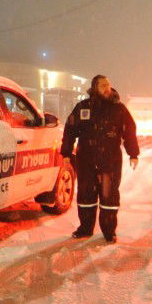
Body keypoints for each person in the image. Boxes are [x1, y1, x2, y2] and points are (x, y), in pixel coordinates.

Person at [61, 74, 140, 243]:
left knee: (109, 198)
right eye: (103, 85)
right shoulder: (83, 107)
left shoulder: (119, 109)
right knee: (86, 197)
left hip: (109, 162)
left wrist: (133, 153)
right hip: (86, 161)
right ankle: (85, 228)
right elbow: (70, 130)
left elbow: (129, 132)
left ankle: (109, 231)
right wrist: (66, 153)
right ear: (95, 87)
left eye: (108, 84)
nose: (107, 87)